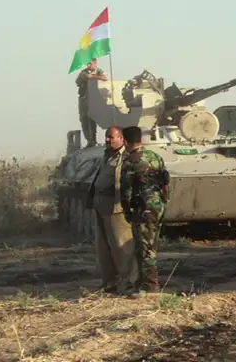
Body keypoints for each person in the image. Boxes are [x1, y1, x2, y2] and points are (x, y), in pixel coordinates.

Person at [86, 126, 138, 294]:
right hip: (101, 206)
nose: (107, 140)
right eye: (106, 137)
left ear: (121, 139)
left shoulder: (127, 157)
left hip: (117, 207)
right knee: (104, 248)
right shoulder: (107, 156)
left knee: (122, 247)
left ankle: (129, 283)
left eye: (111, 137)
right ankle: (110, 283)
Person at [120, 126, 169, 295]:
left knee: (145, 247)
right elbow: (165, 182)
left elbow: (126, 190)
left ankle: (150, 286)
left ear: (125, 141)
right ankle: (142, 283)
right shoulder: (155, 156)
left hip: (143, 208)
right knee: (151, 244)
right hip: (158, 205)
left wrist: (127, 211)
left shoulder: (130, 161)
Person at [75, 58, 108, 148]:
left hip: (94, 99)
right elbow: (77, 82)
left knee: (91, 118)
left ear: (95, 62)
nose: (88, 65)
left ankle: (93, 139)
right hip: (84, 98)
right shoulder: (84, 72)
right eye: (87, 64)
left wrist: (93, 77)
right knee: (83, 119)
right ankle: (89, 140)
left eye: (90, 63)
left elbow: (105, 78)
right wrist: (84, 78)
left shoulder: (99, 71)